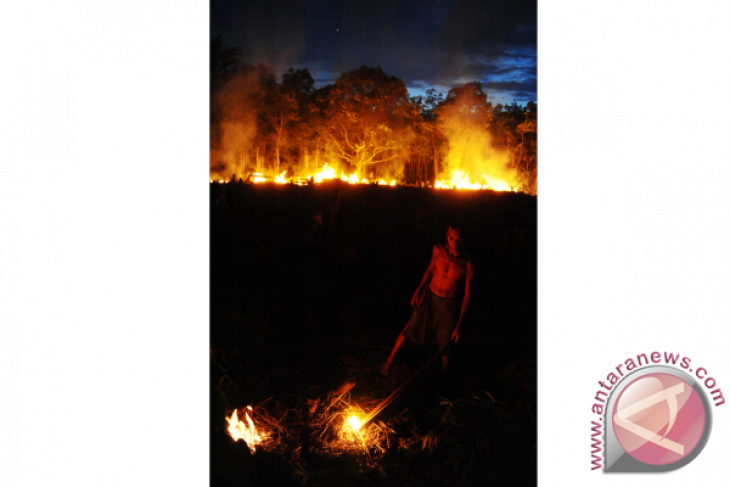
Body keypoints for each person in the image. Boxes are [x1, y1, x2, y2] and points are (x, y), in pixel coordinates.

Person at [380, 223, 475, 376]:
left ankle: (443, 380)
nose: (454, 243)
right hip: (430, 297)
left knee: (446, 343)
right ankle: (390, 360)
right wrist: (418, 290)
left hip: (449, 304)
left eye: (458, 239)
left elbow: (467, 295)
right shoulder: (438, 249)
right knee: (411, 326)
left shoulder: (467, 263)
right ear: (446, 236)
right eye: (451, 238)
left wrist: (459, 324)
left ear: (464, 240)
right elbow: (430, 269)